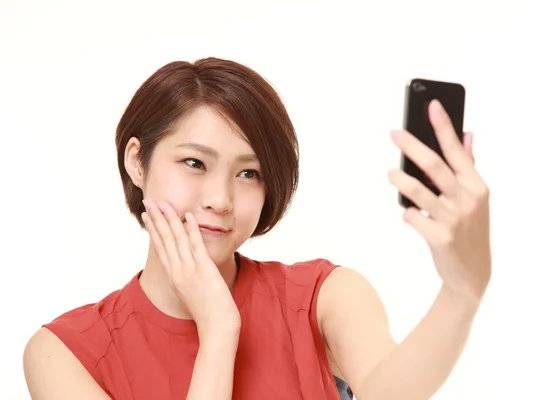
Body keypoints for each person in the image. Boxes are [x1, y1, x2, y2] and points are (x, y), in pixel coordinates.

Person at [22, 57, 492, 400]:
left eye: (249, 173)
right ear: (136, 162)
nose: (221, 199)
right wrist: (218, 328)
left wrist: (462, 290)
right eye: (194, 162)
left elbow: (390, 394)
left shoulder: (323, 296)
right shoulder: (64, 353)